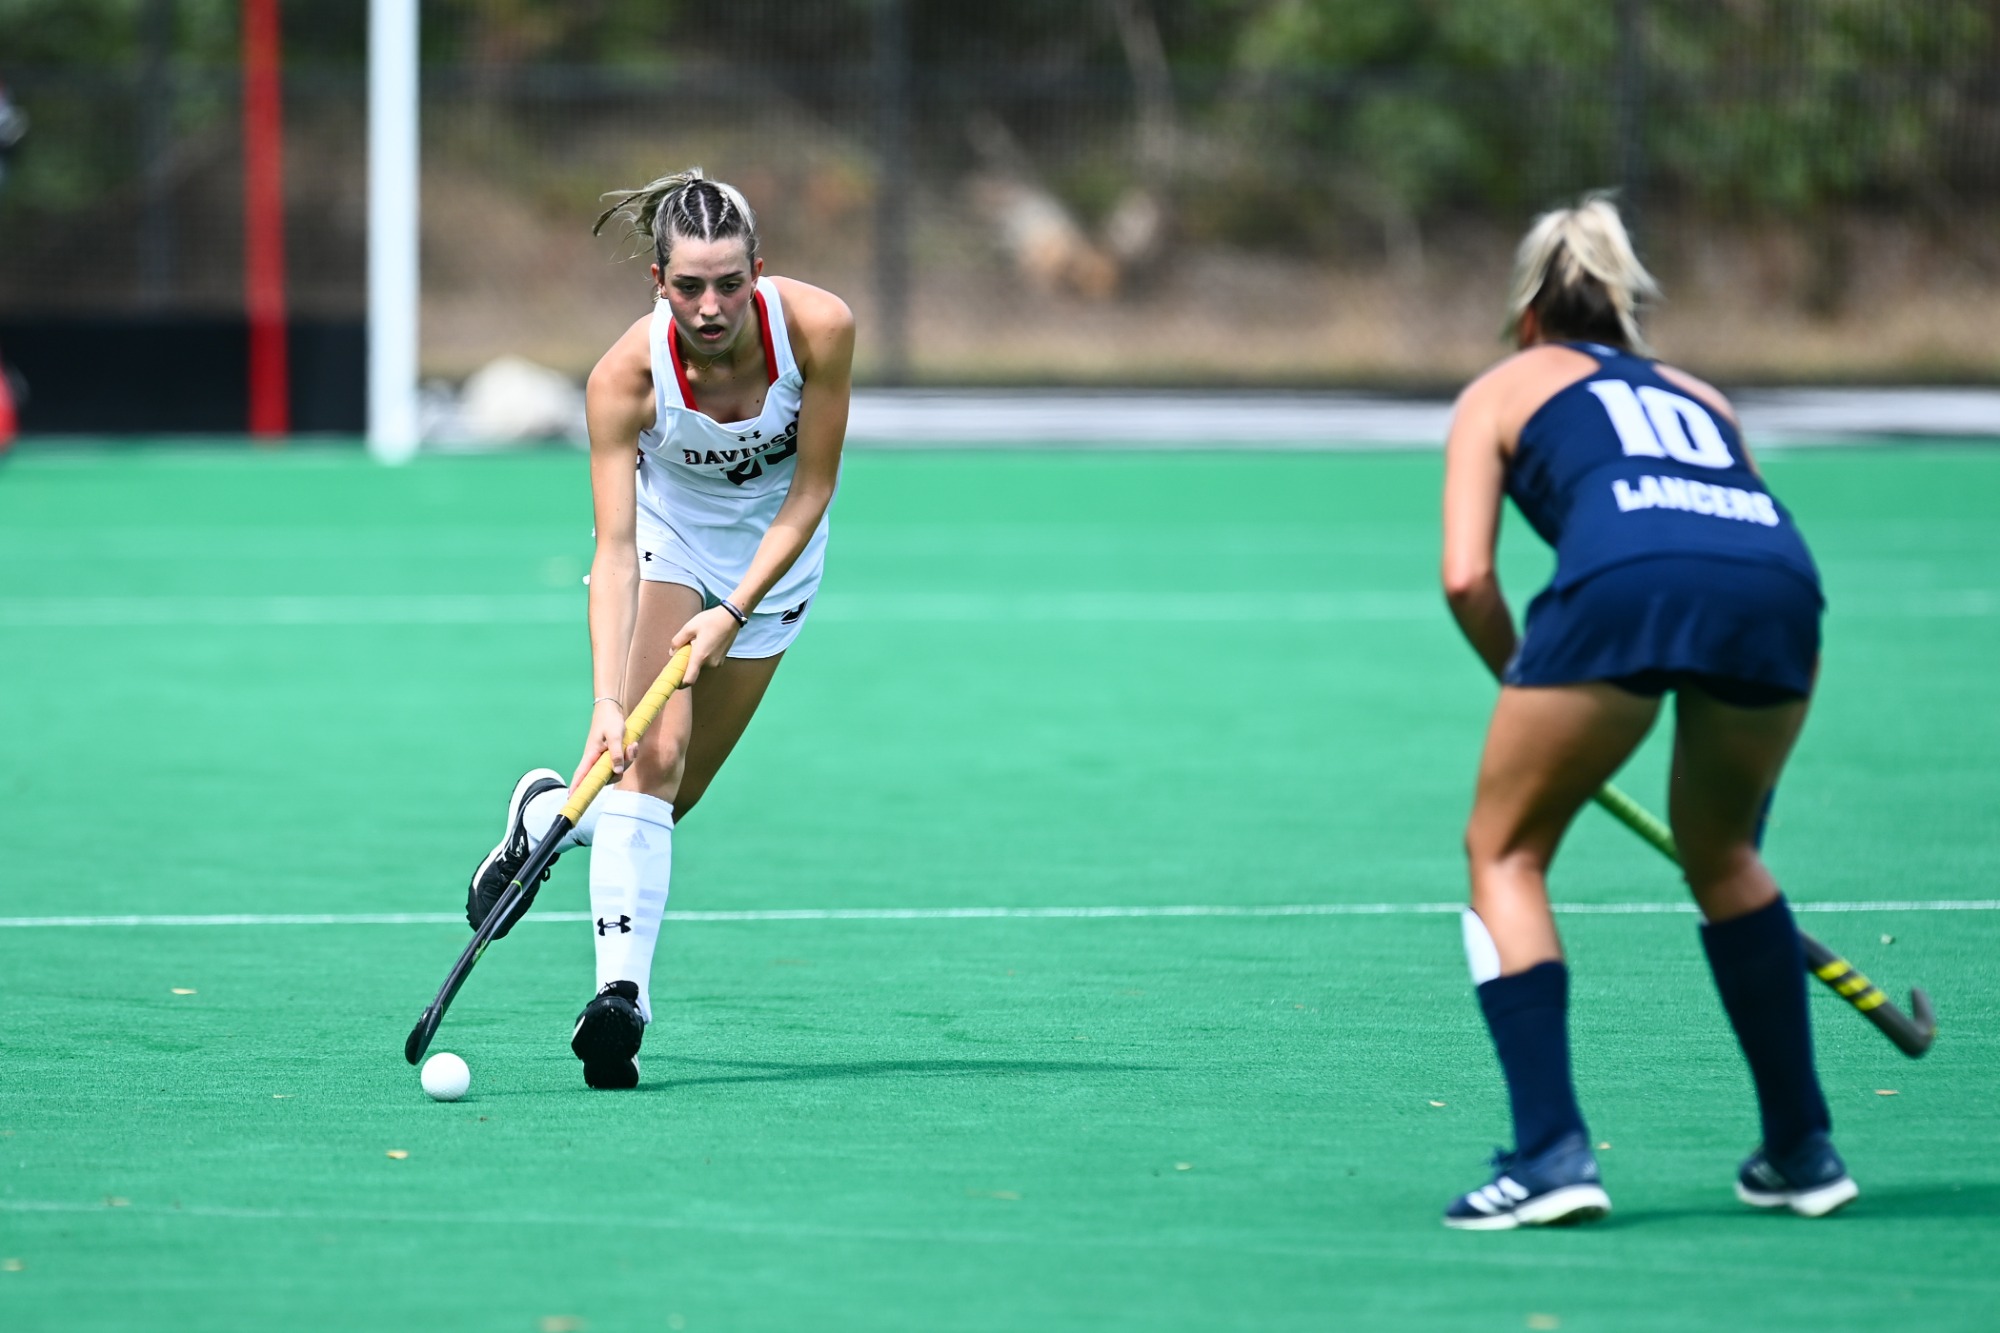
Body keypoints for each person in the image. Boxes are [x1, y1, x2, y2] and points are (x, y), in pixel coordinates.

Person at [1437, 195, 1854, 1229]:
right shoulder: (1697, 392)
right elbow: (1737, 526)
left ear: (1525, 312)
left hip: (1620, 589)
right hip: (1777, 590)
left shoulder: (1501, 386)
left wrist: (1521, 679)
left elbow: (1465, 580)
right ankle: (1800, 1149)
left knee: (1505, 852)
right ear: (1627, 311)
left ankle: (1548, 1156)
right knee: (1727, 856)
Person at [463, 167, 852, 1089]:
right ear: (657, 281)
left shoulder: (820, 331)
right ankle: (619, 1001)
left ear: (759, 270)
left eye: (729, 282)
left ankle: (541, 817)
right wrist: (606, 700)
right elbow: (611, 546)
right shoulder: (624, 379)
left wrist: (735, 611)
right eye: (689, 285)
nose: (710, 305)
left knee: (665, 806)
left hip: (776, 562)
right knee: (647, 755)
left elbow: (812, 490)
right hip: (671, 549)